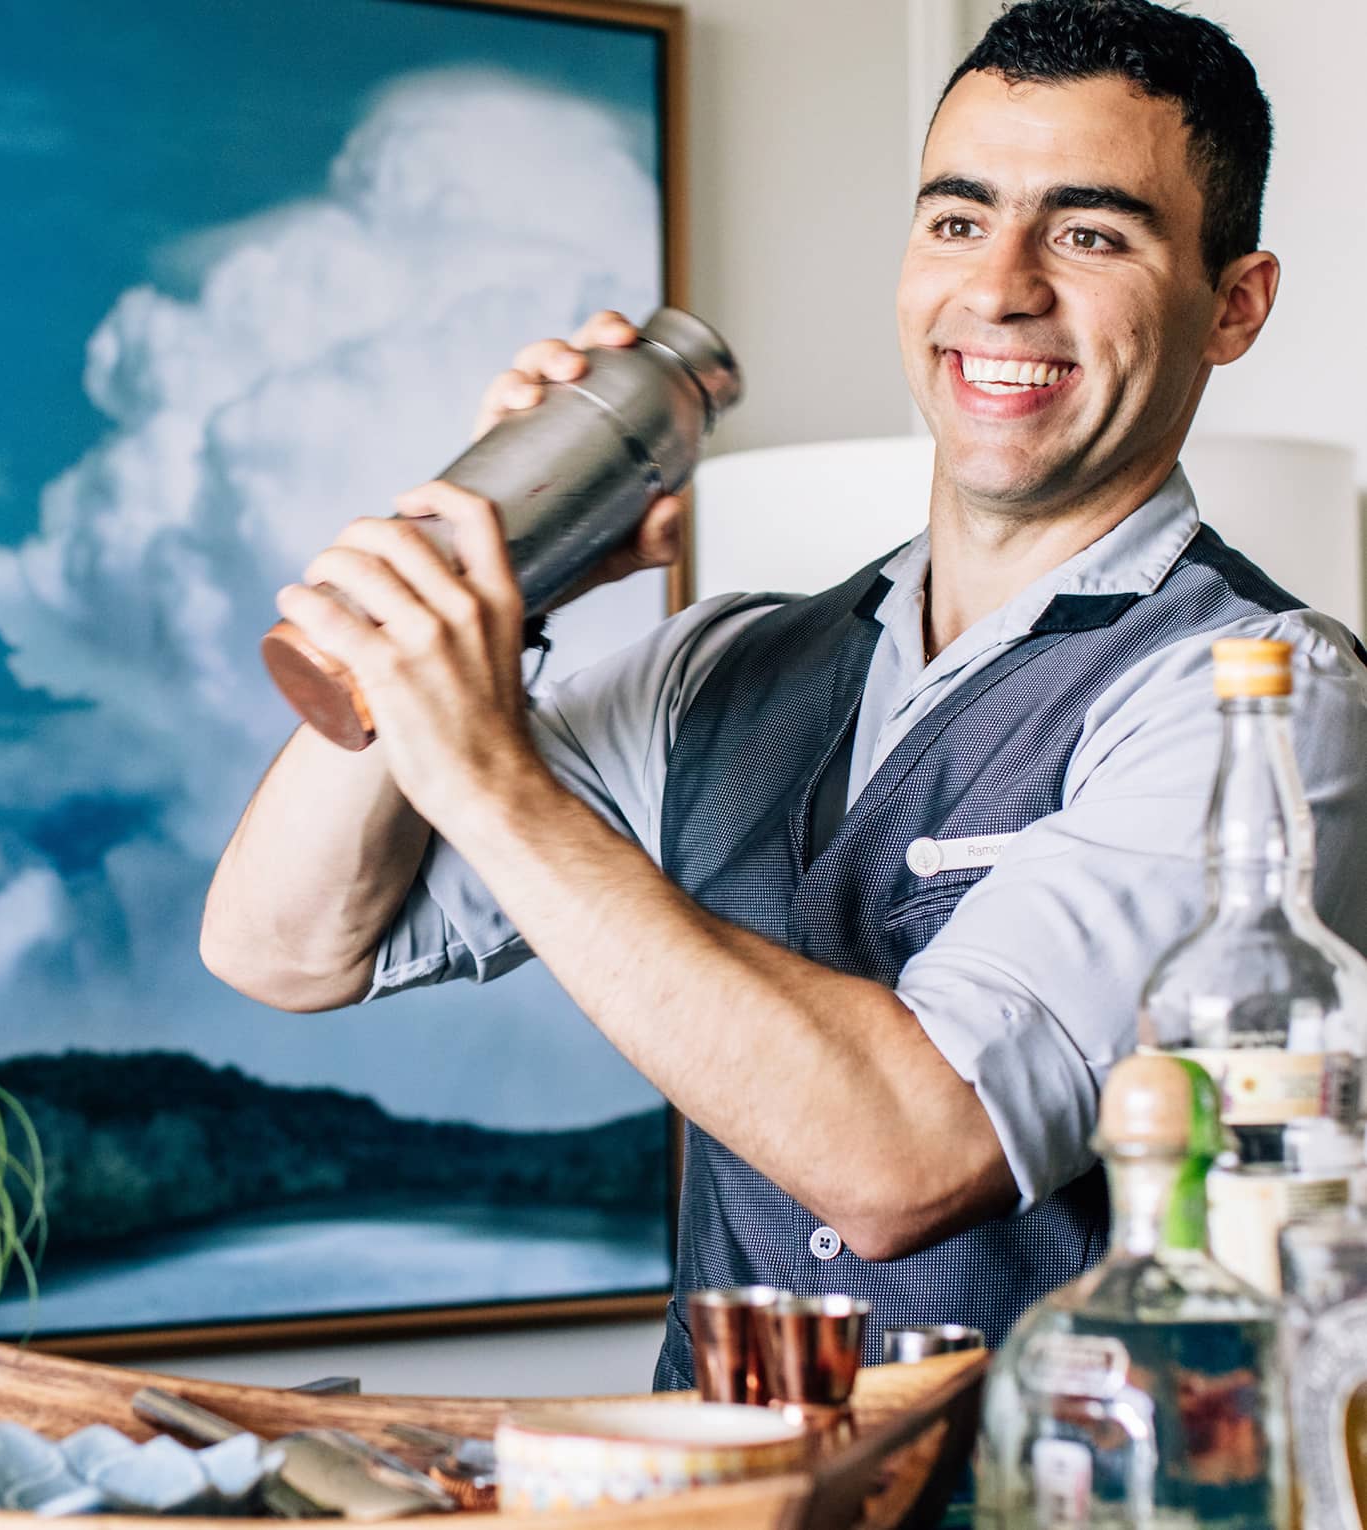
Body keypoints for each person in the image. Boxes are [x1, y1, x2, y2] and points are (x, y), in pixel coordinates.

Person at [201, 0, 1367, 1386]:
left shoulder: (1257, 696)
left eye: (1088, 232)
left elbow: (909, 1155)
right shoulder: (722, 665)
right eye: (955, 219)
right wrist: (495, 574)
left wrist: (491, 772)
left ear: (1230, 304)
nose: (1000, 285)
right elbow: (280, 946)